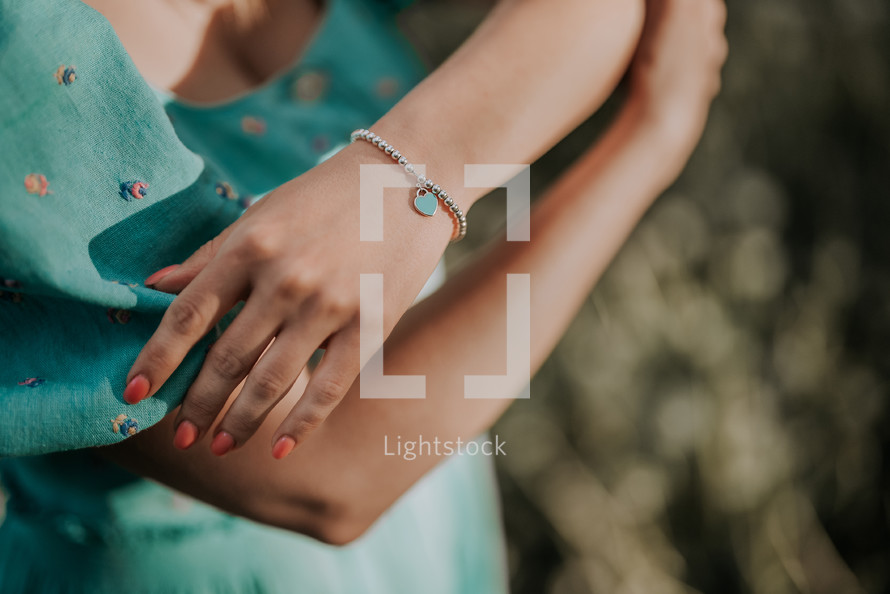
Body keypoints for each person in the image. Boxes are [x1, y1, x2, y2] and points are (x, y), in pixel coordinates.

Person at [0, 0, 727, 591]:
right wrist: (647, 145)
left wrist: (405, 177)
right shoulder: (20, 56)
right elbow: (334, 471)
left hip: (433, 534)